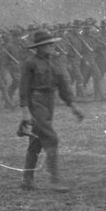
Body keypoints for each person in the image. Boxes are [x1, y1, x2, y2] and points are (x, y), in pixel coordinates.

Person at [17, 30, 85, 191]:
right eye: (48, 44)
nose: (52, 46)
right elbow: (24, 89)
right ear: (39, 47)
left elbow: (63, 85)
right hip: (36, 101)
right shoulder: (30, 63)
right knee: (51, 138)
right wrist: (25, 112)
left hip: (49, 101)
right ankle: (55, 180)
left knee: (37, 141)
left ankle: (27, 180)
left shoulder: (55, 62)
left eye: (52, 43)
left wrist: (73, 106)